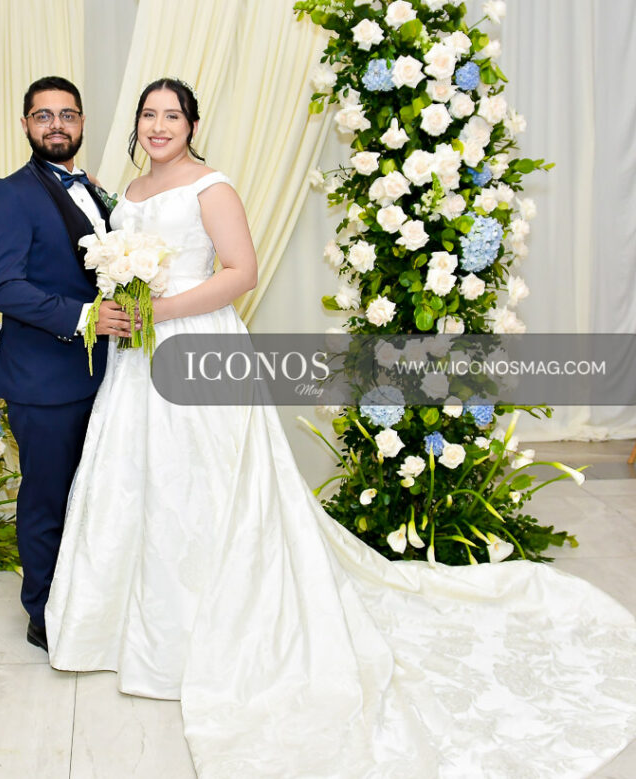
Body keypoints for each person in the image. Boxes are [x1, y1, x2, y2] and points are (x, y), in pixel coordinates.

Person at [44, 78, 636, 777]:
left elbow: (241, 272)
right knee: (132, 482)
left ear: (193, 123)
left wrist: (163, 312)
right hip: (135, 363)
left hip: (195, 344)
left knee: (202, 487)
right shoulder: (129, 195)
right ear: (136, 123)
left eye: (173, 114)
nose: (159, 125)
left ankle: (198, 636)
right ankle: (122, 630)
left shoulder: (213, 186)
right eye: (149, 114)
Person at [0, 76, 132, 652]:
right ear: (25, 125)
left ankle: (88, 597)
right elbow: (2, 287)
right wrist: (87, 317)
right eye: (43, 116)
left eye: (67, 115)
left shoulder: (93, 191)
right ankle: (43, 612)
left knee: (93, 493)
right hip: (43, 379)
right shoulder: (8, 193)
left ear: (83, 123)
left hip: (106, 375)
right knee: (47, 497)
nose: (56, 125)